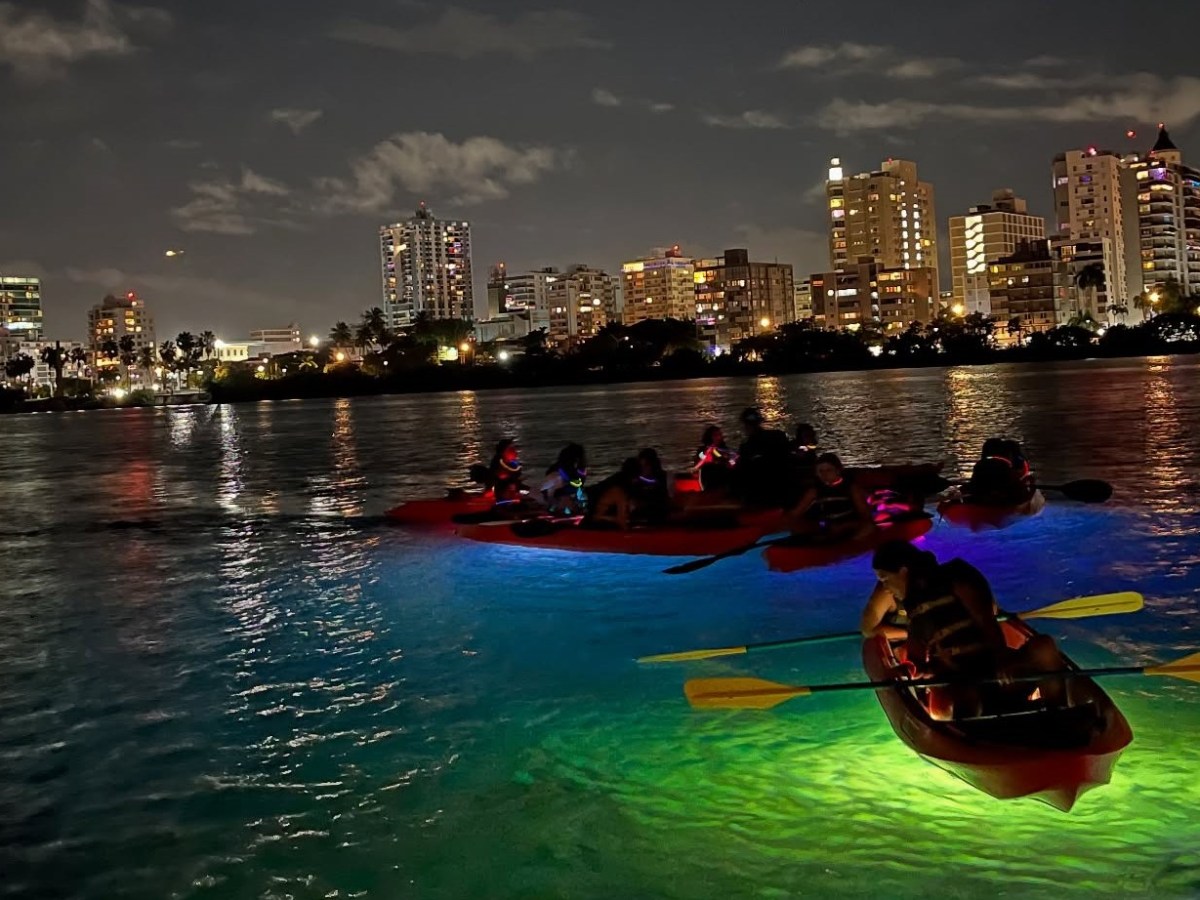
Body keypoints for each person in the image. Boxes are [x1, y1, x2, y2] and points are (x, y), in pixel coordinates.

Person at [861, 540, 1075, 720]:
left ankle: (1060, 715)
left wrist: (1001, 658)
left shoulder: (956, 577)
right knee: (966, 689)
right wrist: (908, 672)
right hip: (963, 681)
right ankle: (976, 739)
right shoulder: (915, 612)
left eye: (885, 579)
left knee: (1043, 646)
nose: (885, 587)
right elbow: (918, 662)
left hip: (997, 669)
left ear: (903, 571)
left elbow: (986, 620)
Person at [786, 452, 876, 540]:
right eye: (821, 471)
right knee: (794, 525)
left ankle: (849, 546)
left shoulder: (850, 488)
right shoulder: (814, 491)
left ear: (837, 470)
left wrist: (848, 525)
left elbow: (864, 513)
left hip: (851, 526)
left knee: (869, 527)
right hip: (829, 528)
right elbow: (795, 513)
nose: (824, 475)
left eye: (828, 470)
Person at [734, 407, 794, 506]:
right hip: (784, 487)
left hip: (760, 494)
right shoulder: (778, 435)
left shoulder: (747, 446)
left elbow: (743, 471)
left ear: (745, 426)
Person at [965, 438, 1035, 505]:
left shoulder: (980, 464)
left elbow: (973, 485)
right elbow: (1015, 487)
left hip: (983, 498)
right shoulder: (1005, 466)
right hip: (1001, 500)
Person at [540, 443, 588, 516]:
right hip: (554, 494)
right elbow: (572, 482)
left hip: (564, 491)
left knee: (579, 492)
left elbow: (579, 483)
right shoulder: (559, 469)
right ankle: (558, 508)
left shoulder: (575, 468)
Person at [693, 424, 738, 492]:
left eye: (720, 434)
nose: (718, 437)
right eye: (715, 435)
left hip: (723, 479)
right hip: (709, 479)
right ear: (709, 437)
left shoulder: (725, 450)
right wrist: (711, 456)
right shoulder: (702, 451)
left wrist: (731, 462)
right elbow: (701, 459)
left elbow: (732, 461)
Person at [487, 439, 527, 505]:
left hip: (509, 488)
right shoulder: (500, 460)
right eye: (511, 448)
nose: (514, 451)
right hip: (502, 490)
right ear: (504, 450)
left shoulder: (508, 461)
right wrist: (518, 466)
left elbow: (516, 473)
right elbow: (515, 471)